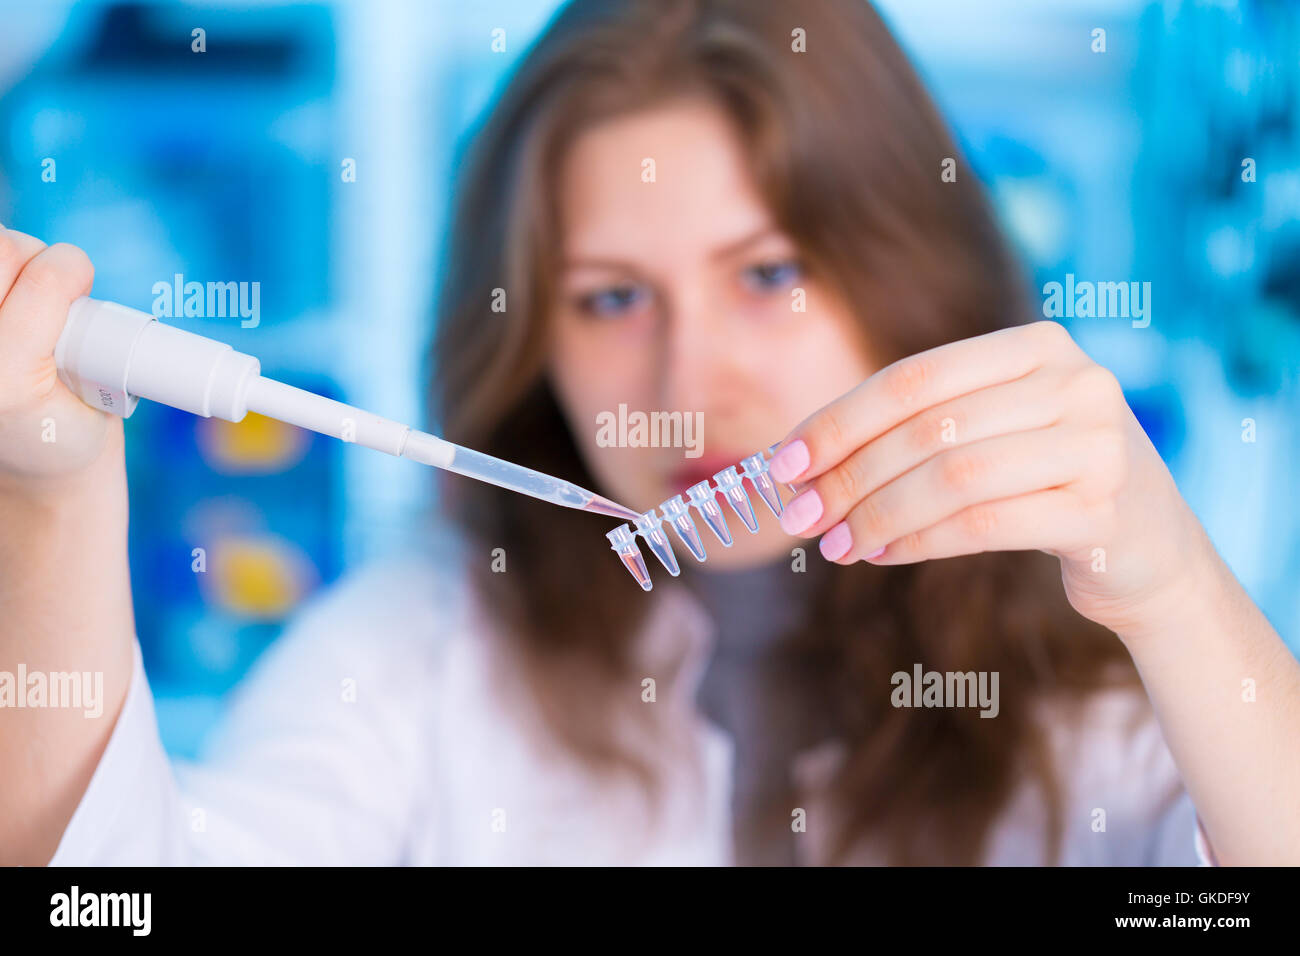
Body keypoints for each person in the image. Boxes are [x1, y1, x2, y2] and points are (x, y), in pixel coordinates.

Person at [3, 0, 1296, 867]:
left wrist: (1176, 593)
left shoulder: (1102, 693)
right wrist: (52, 496)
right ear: (533, 343)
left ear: (909, 281)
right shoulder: (421, 651)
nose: (689, 380)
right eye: (612, 299)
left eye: (769, 274)